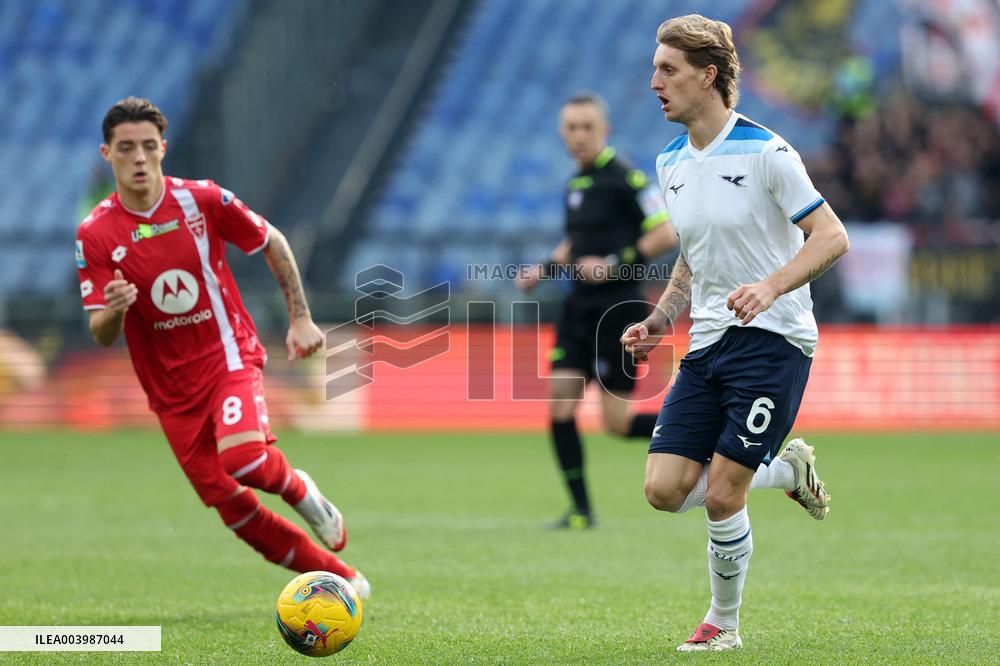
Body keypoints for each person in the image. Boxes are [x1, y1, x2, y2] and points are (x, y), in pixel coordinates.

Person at [75, 97, 370, 598]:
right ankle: (345, 580)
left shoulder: (202, 200)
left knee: (245, 458)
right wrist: (117, 309)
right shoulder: (95, 233)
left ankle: (301, 491)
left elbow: (272, 240)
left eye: (149, 146)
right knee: (233, 509)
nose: (140, 158)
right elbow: (101, 331)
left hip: (227, 356)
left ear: (164, 148)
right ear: (108, 154)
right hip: (170, 393)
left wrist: (301, 318)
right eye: (127, 149)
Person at [621, 16, 848, 651]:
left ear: (708, 75)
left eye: (668, 69)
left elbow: (831, 235)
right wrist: (662, 317)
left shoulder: (768, 153)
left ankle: (723, 624)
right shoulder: (670, 162)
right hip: (708, 342)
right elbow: (694, 257)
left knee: (722, 494)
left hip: (775, 338)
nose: (654, 82)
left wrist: (772, 286)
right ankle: (786, 470)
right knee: (663, 491)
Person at [516, 92, 678, 529]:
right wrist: (544, 270)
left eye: (588, 127)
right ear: (562, 134)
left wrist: (612, 264)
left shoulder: (626, 178)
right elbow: (575, 246)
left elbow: (665, 233)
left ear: (603, 131)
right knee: (559, 408)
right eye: (572, 128)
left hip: (617, 309)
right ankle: (581, 510)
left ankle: (698, 424)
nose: (580, 135)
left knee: (618, 423)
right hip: (577, 310)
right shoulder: (575, 185)